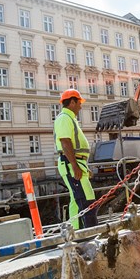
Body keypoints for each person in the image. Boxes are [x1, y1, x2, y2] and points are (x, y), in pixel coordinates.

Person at [54, 89, 98, 229]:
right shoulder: (64, 118)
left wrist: (81, 166)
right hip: (72, 164)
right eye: (79, 102)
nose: (80, 105)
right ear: (72, 102)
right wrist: (75, 166)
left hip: (76, 163)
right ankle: (89, 234)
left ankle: (76, 232)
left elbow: (71, 144)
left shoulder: (69, 118)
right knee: (86, 200)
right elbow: (65, 142)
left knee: (76, 200)